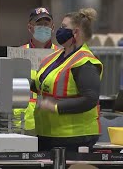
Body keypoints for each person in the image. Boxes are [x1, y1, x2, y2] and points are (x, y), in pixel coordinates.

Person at [31, 8, 103, 152]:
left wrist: (56, 106)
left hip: (75, 136)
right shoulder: (55, 57)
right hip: (47, 134)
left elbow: (90, 99)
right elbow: (41, 85)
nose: (59, 31)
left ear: (75, 32)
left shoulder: (85, 62)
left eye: (64, 27)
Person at [13, 7, 59, 135]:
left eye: (47, 24)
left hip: (52, 121)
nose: (43, 27)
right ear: (30, 27)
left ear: (53, 27)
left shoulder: (61, 55)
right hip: (23, 123)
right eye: (39, 24)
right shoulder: (18, 54)